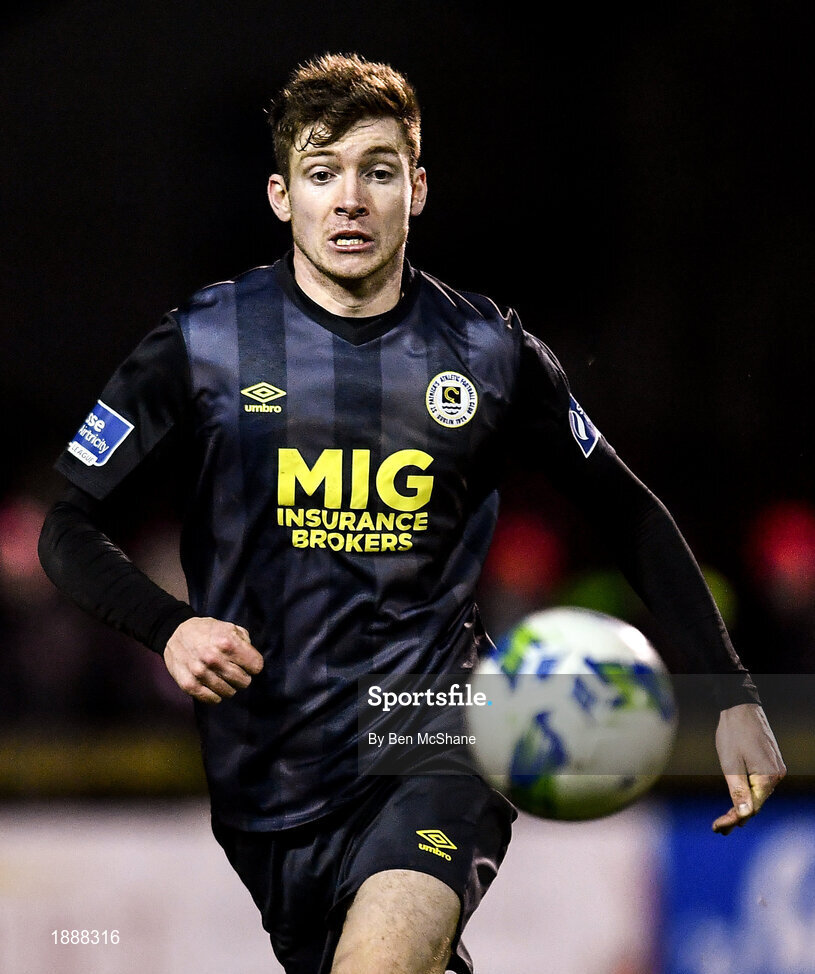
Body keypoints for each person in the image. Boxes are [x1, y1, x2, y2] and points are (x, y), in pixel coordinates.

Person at [38, 52, 786, 974]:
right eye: (322, 174)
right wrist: (172, 627)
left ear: (416, 188)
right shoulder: (203, 343)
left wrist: (730, 695)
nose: (349, 198)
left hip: (434, 738)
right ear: (282, 197)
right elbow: (66, 527)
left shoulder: (489, 351)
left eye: (377, 171)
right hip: (264, 778)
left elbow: (628, 515)